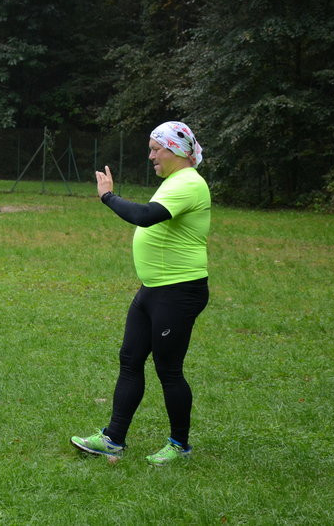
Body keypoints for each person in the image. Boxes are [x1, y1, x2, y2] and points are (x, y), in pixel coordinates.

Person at [71, 121, 210, 466]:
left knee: (168, 369)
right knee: (130, 360)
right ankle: (112, 439)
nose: (150, 156)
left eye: (155, 149)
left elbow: (146, 217)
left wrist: (108, 196)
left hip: (179, 291)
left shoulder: (190, 183)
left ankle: (179, 445)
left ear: (176, 150)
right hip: (154, 289)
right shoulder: (175, 181)